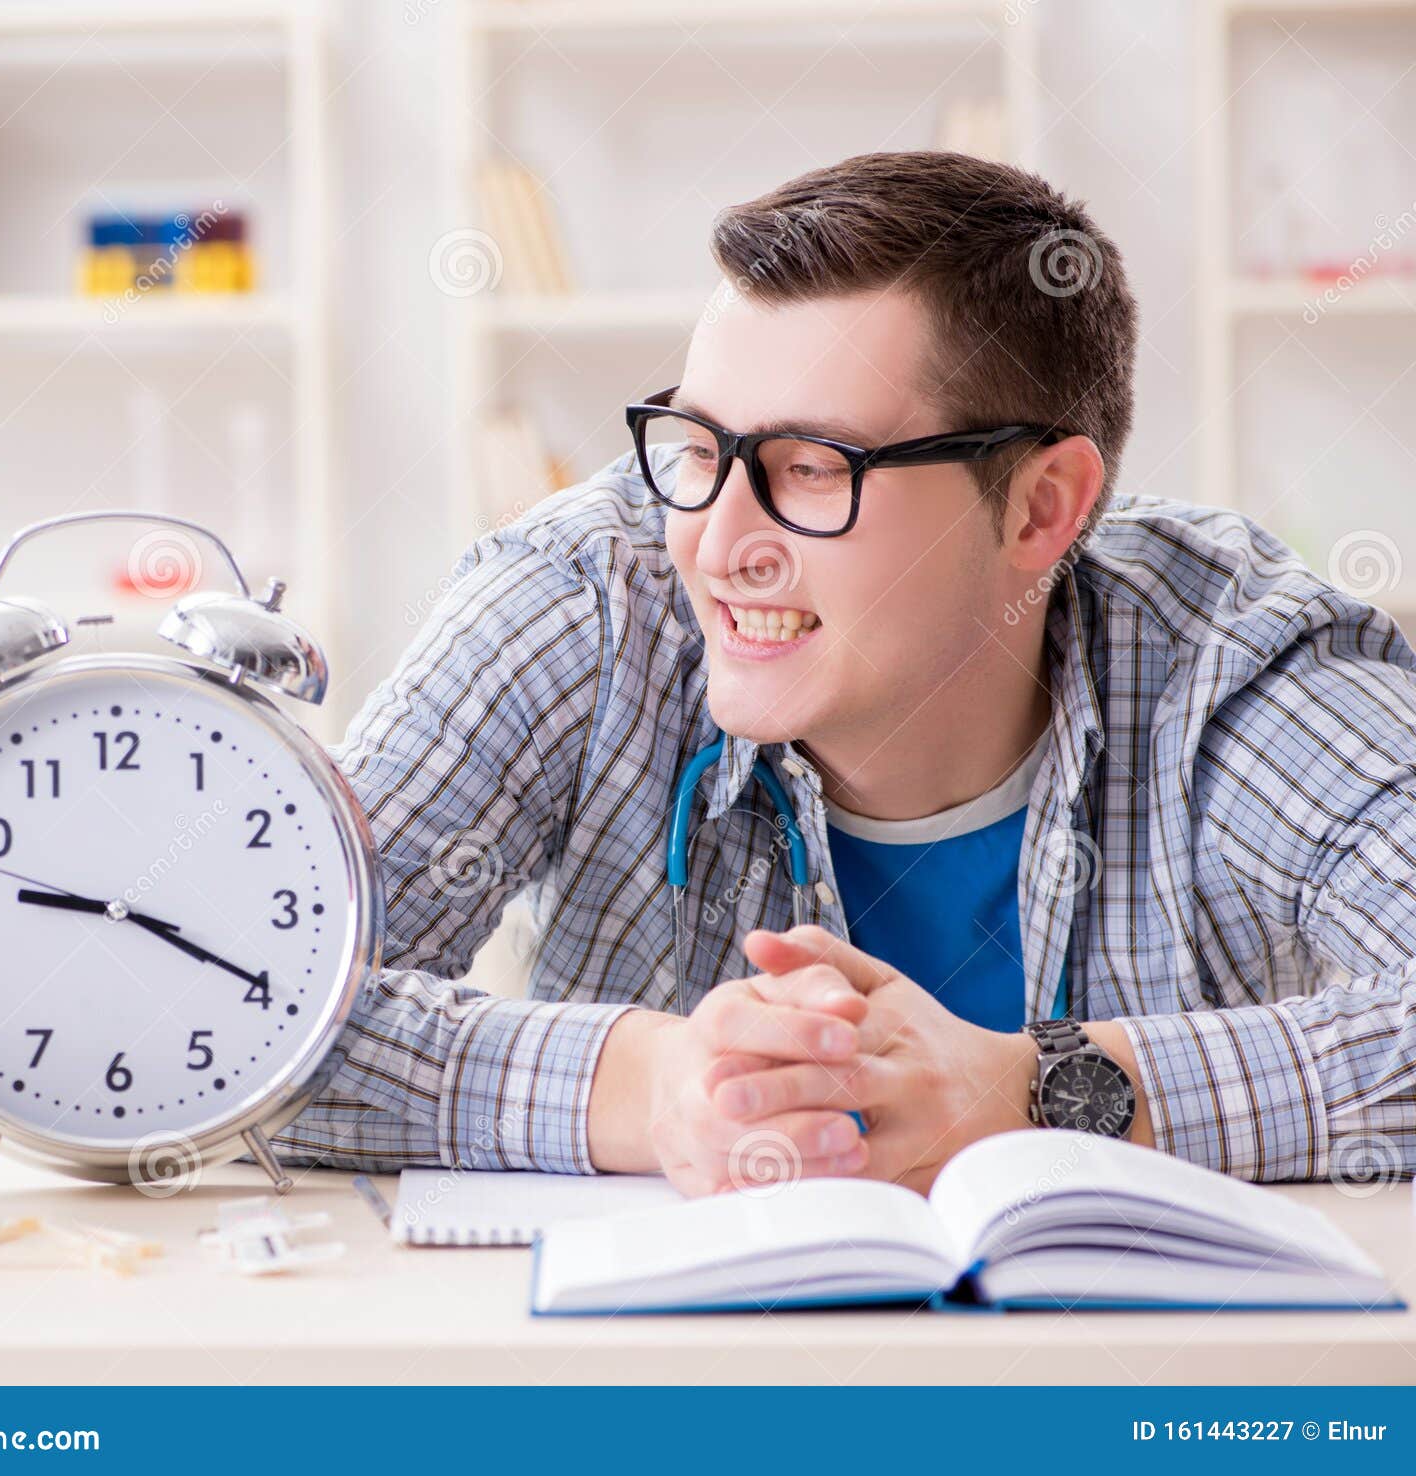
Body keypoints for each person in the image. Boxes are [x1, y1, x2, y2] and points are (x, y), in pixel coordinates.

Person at [274, 150, 1416, 1196]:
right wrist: (651, 1086)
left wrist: (1027, 1094)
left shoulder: (1237, 660)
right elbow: (242, 991)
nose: (717, 544)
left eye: (812, 469)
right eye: (697, 449)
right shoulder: (586, 598)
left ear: (1041, 507)